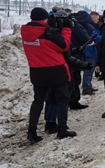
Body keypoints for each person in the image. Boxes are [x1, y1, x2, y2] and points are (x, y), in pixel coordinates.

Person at [21, 8, 78, 143]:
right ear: (44, 18)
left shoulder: (25, 32)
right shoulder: (48, 33)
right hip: (55, 71)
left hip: (37, 71)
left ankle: (31, 132)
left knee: (37, 101)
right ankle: (62, 129)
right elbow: (63, 46)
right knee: (62, 100)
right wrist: (66, 29)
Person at [75, 10, 102, 95]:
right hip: (89, 51)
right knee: (88, 71)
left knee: (90, 71)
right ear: (92, 17)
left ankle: (88, 86)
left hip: (93, 50)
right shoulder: (88, 27)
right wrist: (102, 38)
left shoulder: (91, 26)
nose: (97, 21)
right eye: (96, 19)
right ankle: (86, 88)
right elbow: (94, 37)